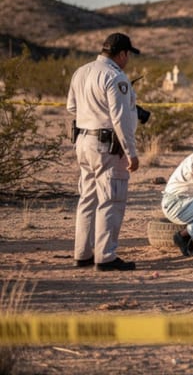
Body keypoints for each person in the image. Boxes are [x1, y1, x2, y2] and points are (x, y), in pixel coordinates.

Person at [66, 32, 141, 271]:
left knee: (88, 199)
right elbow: (120, 119)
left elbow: (71, 107)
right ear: (122, 53)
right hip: (108, 145)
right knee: (111, 199)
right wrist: (131, 152)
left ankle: (83, 253)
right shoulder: (114, 76)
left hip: (84, 140)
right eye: (127, 55)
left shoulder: (82, 71)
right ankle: (106, 256)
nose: (127, 60)